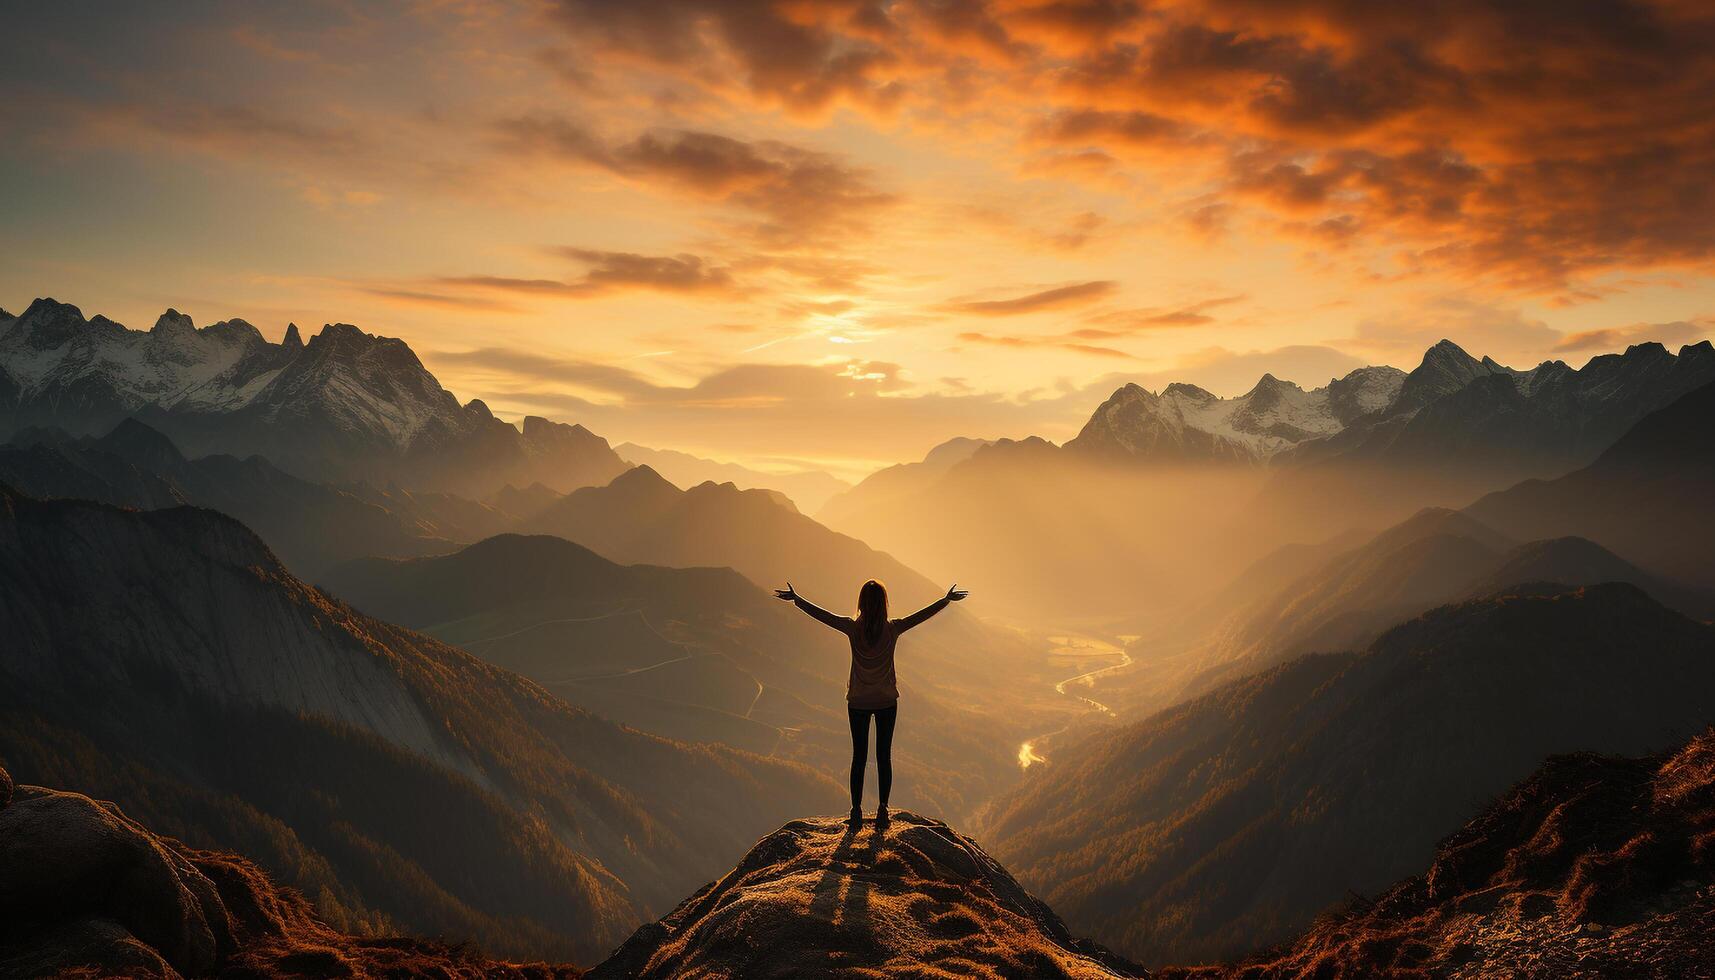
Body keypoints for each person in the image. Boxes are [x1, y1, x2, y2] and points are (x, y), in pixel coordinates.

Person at [774, 578, 968, 827]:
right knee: (884, 757)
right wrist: (945, 601)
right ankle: (883, 810)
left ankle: (855, 811)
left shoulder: (852, 628)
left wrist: (797, 600)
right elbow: (920, 616)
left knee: (859, 757)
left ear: (862, 603)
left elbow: (822, 615)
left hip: (857, 702)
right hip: (886, 700)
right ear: (884, 604)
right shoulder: (893, 629)